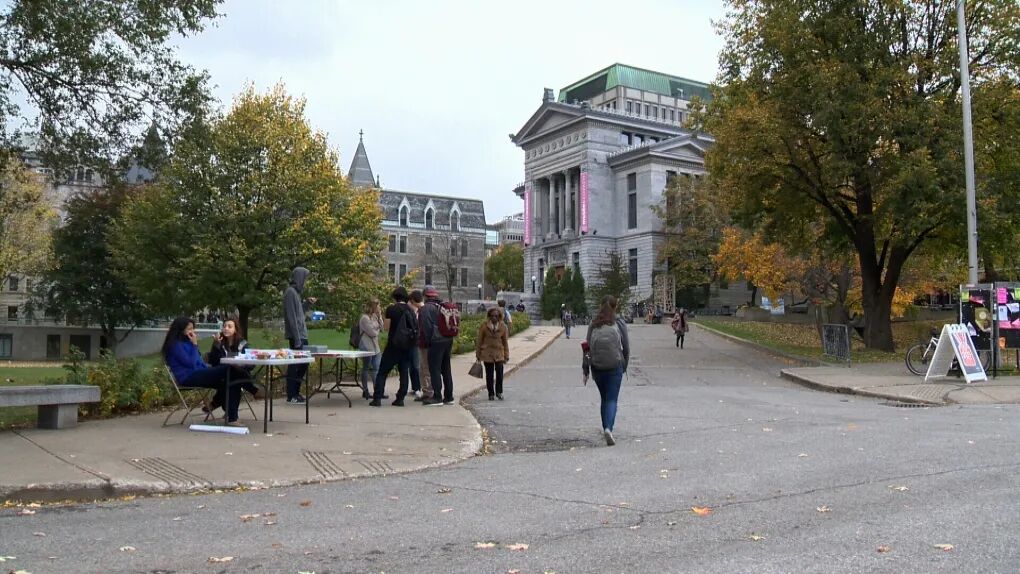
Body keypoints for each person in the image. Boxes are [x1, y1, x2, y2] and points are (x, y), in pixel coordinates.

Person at [163, 316, 245, 426]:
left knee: (231, 380)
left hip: (199, 374)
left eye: (193, 328)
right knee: (229, 368)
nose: (192, 331)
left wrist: (209, 371)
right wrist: (194, 345)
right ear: (180, 329)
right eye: (189, 329)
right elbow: (190, 363)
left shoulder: (188, 342)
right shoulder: (175, 345)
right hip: (188, 377)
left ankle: (231, 416)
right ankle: (253, 391)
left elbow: (199, 361)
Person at [585, 295, 630, 446]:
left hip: (597, 367)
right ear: (615, 307)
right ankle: (608, 428)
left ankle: (606, 428)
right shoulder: (619, 322)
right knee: (612, 399)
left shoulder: (594, 323)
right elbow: (626, 346)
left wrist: (586, 368)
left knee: (604, 398)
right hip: (614, 366)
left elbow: (586, 347)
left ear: (600, 306)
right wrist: (624, 365)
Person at [370, 286, 416, 407]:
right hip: (407, 346)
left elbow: (386, 327)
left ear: (395, 297)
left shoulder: (392, 309)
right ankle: (400, 398)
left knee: (382, 372)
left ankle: (377, 398)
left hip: (393, 345)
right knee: (404, 372)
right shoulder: (410, 310)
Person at [206, 316, 263, 401]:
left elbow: (251, 364)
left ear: (235, 329)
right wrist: (216, 345)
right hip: (220, 374)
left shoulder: (242, 344)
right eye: (224, 326)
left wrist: (241, 365)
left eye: (229, 326)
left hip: (237, 374)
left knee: (233, 378)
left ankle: (214, 404)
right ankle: (254, 391)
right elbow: (213, 362)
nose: (226, 328)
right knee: (233, 376)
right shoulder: (219, 341)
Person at [283, 267, 315, 404]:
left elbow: (299, 312)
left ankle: (296, 392)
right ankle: (292, 394)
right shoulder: (290, 292)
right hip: (297, 336)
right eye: (305, 279)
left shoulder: (296, 293)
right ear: (299, 278)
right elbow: (292, 317)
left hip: (302, 335)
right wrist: (297, 339)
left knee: (303, 363)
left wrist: (307, 303)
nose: (305, 282)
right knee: (295, 365)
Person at [420, 285, 454, 405]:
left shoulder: (426, 308)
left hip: (436, 341)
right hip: (448, 340)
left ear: (425, 295)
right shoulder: (442, 305)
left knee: (434, 369)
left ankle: (437, 397)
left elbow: (426, 326)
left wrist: (428, 341)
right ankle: (449, 397)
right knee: (446, 369)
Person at [476, 307, 510, 400]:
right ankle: (490, 393)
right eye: (492, 316)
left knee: (499, 373)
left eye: (496, 316)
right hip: (487, 353)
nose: (494, 317)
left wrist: (506, 355)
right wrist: (478, 354)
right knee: (489, 375)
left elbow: (505, 342)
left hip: (499, 353)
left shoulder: (503, 326)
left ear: (499, 317)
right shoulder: (484, 326)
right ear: (489, 316)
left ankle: (499, 392)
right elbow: (479, 341)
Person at [358, 299, 383, 399]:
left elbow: (382, 328)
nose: (379, 308)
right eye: (377, 306)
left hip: (375, 347)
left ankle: (377, 391)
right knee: (366, 367)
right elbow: (372, 333)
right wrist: (377, 330)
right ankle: (365, 390)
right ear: (373, 307)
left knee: (376, 368)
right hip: (366, 346)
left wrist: (380, 317)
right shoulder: (364, 318)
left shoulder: (375, 316)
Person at [409, 289, 429, 401]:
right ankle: (424, 389)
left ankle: (426, 391)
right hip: (423, 342)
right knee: (421, 367)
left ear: (412, 301)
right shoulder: (423, 310)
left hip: (423, 343)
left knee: (423, 368)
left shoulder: (422, 311)